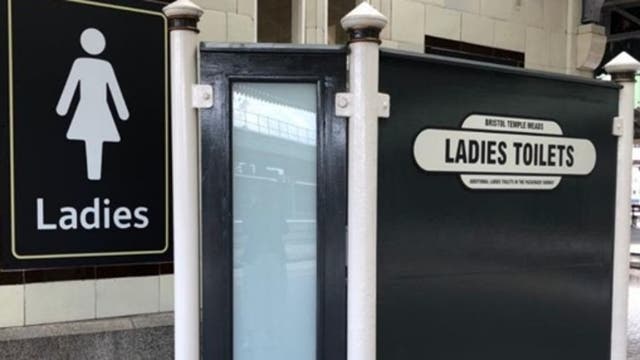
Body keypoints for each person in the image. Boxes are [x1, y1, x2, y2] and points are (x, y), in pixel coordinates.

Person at [56, 28, 129, 181]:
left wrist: (63, 109)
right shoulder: (86, 64)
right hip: (93, 110)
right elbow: (71, 86)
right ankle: (92, 178)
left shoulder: (100, 66)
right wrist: (122, 113)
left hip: (93, 110)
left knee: (94, 141)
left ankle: (94, 177)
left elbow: (114, 90)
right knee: (93, 140)